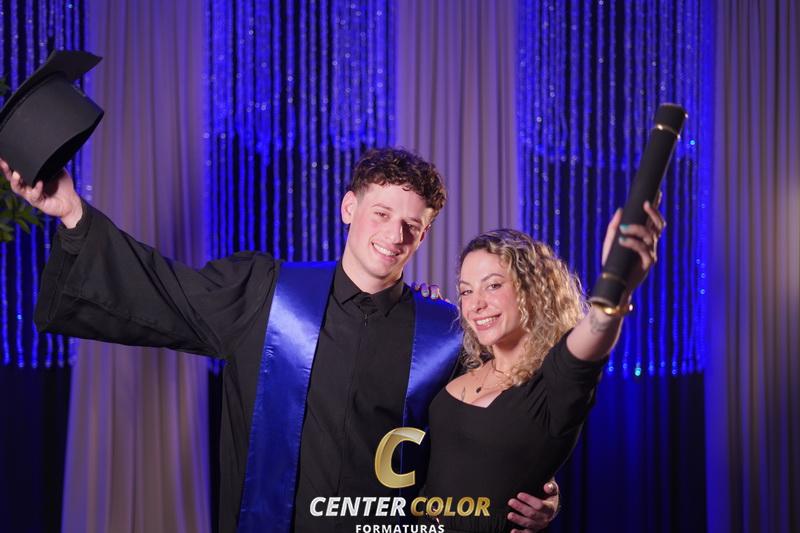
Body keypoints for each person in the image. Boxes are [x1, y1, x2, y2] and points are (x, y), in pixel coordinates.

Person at [0, 148, 559, 533]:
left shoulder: (445, 333)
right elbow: (164, 290)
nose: (394, 234)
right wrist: (72, 212)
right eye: (381, 213)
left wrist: (538, 493)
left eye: (412, 224)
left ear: (426, 231)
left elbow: (485, 434)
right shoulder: (265, 295)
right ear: (349, 208)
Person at [421, 203, 663, 532]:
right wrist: (418, 305)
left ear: (532, 290)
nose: (476, 304)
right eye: (466, 291)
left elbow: (594, 332)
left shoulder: (554, 385)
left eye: (493, 285)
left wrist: (616, 285)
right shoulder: (460, 362)